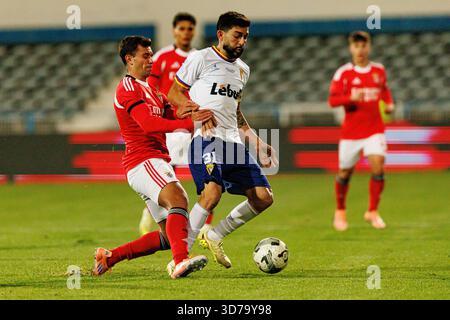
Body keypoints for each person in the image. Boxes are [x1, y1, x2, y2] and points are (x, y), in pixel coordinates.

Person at [92, 35, 214, 279]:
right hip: (142, 161)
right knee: (178, 198)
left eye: (151, 55)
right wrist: (184, 123)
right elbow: (148, 124)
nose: (151, 60)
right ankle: (181, 262)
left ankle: (109, 257)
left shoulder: (154, 91)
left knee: (170, 236)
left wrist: (194, 114)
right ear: (129, 59)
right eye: (146, 56)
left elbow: (177, 119)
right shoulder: (128, 87)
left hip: (154, 161)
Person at [168, 11, 278, 269]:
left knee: (263, 197)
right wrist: (195, 110)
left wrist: (256, 141)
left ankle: (215, 234)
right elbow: (174, 93)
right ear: (221, 34)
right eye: (237, 36)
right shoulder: (201, 59)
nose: (242, 42)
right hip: (207, 138)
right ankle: (181, 256)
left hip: (233, 143)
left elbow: (235, 110)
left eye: (245, 37)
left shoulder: (243, 70)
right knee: (212, 192)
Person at [139, 12, 215, 236]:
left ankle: (204, 226)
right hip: (171, 127)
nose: (186, 33)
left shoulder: (201, 58)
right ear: (174, 31)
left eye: (190, 28)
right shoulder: (162, 57)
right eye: (181, 28)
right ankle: (150, 211)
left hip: (195, 126)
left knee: (207, 174)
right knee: (165, 175)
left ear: (194, 31)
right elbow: (151, 90)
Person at [328, 31, 394, 231]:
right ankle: (340, 211)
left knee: (378, 166)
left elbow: (384, 91)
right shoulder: (343, 73)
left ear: (369, 47)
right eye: (356, 46)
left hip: (374, 129)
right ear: (351, 48)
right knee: (344, 173)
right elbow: (333, 101)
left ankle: (372, 211)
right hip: (351, 133)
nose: (360, 50)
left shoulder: (379, 70)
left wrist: (389, 103)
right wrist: (351, 99)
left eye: (363, 45)